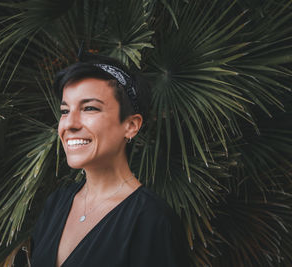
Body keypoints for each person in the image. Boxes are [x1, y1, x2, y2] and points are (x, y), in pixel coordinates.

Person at [29, 55, 190, 267]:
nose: (70, 124)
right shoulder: (56, 203)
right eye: (65, 111)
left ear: (131, 125)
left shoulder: (152, 221)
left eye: (89, 108)